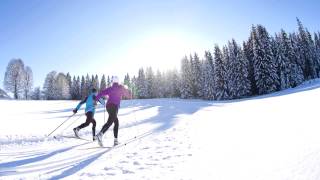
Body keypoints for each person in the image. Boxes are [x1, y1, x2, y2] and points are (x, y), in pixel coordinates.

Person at [95, 76, 132, 146]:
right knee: (112, 122)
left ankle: (111, 139)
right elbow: (128, 96)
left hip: (108, 106)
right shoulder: (120, 87)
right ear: (118, 81)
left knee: (113, 122)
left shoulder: (110, 88)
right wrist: (129, 92)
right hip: (114, 107)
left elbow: (101, 93)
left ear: (113, 82)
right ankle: (101, 135)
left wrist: (96, 100)